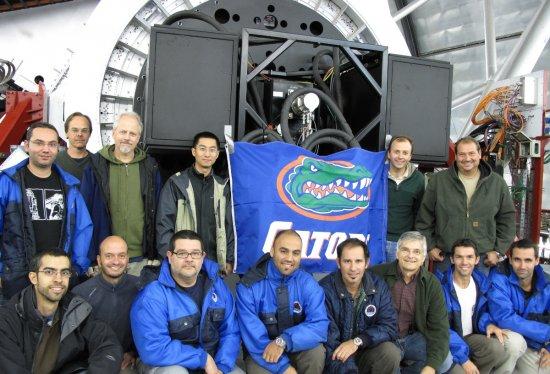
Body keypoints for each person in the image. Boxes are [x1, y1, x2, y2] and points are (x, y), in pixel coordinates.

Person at [0, 122, 92, 299]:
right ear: (27, 146)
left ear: (58, 148)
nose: (46, 149)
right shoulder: (7, 183)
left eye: (52, 144)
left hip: (57, 277)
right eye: (39, 143)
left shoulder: (70, 187)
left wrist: (76, 267)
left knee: (54, 324)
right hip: (16, 276)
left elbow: (83, 228)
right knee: (14, 324)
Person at [131, 230, 242, 374]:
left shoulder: (217, 286)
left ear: (202, 257)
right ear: (170, 257)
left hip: (213, 363)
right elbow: (154, 349)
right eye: (182, 253)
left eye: (195, 253)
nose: (189, 259)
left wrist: (221, 367)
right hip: (164, 363)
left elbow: (231, 332)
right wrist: (203, 359)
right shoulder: (152, 295)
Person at [0, 249, 122, 372]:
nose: (58, 279)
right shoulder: (7, 319)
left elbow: (108, 344)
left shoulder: (76, 309)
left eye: (64, 273)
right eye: (49, 272)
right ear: (33, 278)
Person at [416, 136, 516, 273]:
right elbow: (424, 217)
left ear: (480, 154)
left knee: (479, 294)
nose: (467, 158)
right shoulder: (439, 181)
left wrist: (498, 251)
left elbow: (507, 220)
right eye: (462, 154)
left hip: (482, 259)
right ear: (456, 156)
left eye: (471, 153)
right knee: (443, 294)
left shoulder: (497, 183)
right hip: (446, 257)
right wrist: (430, 246)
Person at [236, 229, 328, 374]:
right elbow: (253, 337)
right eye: (284, 251)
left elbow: (320, 324)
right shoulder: (248, 286)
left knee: (316, 353)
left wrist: (285, 340)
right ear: (272, 251)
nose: (290, 258)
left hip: (296, 345)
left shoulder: (307, 283)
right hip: (261, 352)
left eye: (296, 253)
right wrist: (283, 368)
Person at [80, 112, 162, 276]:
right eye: (123, 132)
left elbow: (159, 212)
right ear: (114, 133)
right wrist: (89, 257)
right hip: (106, 258)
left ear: (138, 137)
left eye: (132, 133)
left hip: (141, 259)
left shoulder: (150, 167)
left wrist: (155, 253)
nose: (127, 137)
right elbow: (84, 213)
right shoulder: (96, 166)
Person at [371, 231, 451, 374]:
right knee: (391, 356)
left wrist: (430, 367)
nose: (410, 256)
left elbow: (439, 329)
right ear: (397, 253)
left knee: (445, 361)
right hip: (383, 340)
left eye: (416, 252)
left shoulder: (432, 284)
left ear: (423, 258)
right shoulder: (377, 274)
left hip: (412, 339)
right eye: (405, 250)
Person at [156, 131, 234, 275]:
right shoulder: (177, 184)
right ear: (194, 151)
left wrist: (229, 259)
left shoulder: (223, 188)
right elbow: (164, 226)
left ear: (217, 154)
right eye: (202, 148)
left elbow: (230, 227)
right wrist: (171, 259)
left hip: (214, 265)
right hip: (184, 264)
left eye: (212, 150)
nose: (207, 154)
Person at [320, 238, 400, 373]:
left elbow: (389, 326)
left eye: (358, 261)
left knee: (390, 352)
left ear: (366, 263)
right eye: (347, 261)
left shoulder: (379, 286)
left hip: (364, 350)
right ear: (338, 263)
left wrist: (358, 341)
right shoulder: (324, 289)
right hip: (336, 355)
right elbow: (328, 339)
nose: (353, 268)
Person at [437, 238, 509, 374]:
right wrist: (464, 360)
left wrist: (488, 324)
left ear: (477, 260)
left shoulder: (481, 282)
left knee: (496, 348)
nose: (464, 262)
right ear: (452, 259)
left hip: (470, 337)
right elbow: (440, 328)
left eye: (469, 257)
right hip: (446, 341)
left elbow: (484, 311)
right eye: (459, 257)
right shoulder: (440, 285)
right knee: (460, 371)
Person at [72, 236, 141, 373]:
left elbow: (151, 329)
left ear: (128, 259)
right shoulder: (80, 293)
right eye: (109, 256)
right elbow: (73, 342)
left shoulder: (142, 288)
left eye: (121, 256)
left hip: (128, 361)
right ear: (99, 260)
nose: (116, 261)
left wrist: (134, 352)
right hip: (92, 363)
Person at [488, 239, 550, 373]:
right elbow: (504, 318)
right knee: (515, 343)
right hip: (503, 338)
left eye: (528, 260)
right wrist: (547, 333)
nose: (522, 266)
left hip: (533, 343)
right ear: (510, 259)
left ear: (537, 260)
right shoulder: (499, 277)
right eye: (517, 259)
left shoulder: (547, 285)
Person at [386, 135, 425, 262]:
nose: (400, 156)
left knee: (396, 280)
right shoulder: (377, 175)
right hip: (376, 240)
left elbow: (419, 211)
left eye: (405, 153)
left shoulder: (418, 179)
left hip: (401, 243)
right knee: (372, 280)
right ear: (389, 154)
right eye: (396, 152)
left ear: (410, 156)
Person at [55, 112, 93, 181]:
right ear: (66, 133)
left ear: (90, 134)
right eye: (75, 130)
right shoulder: (54, 162)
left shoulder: (98, 163)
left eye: (84, 130)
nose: (79, 134)